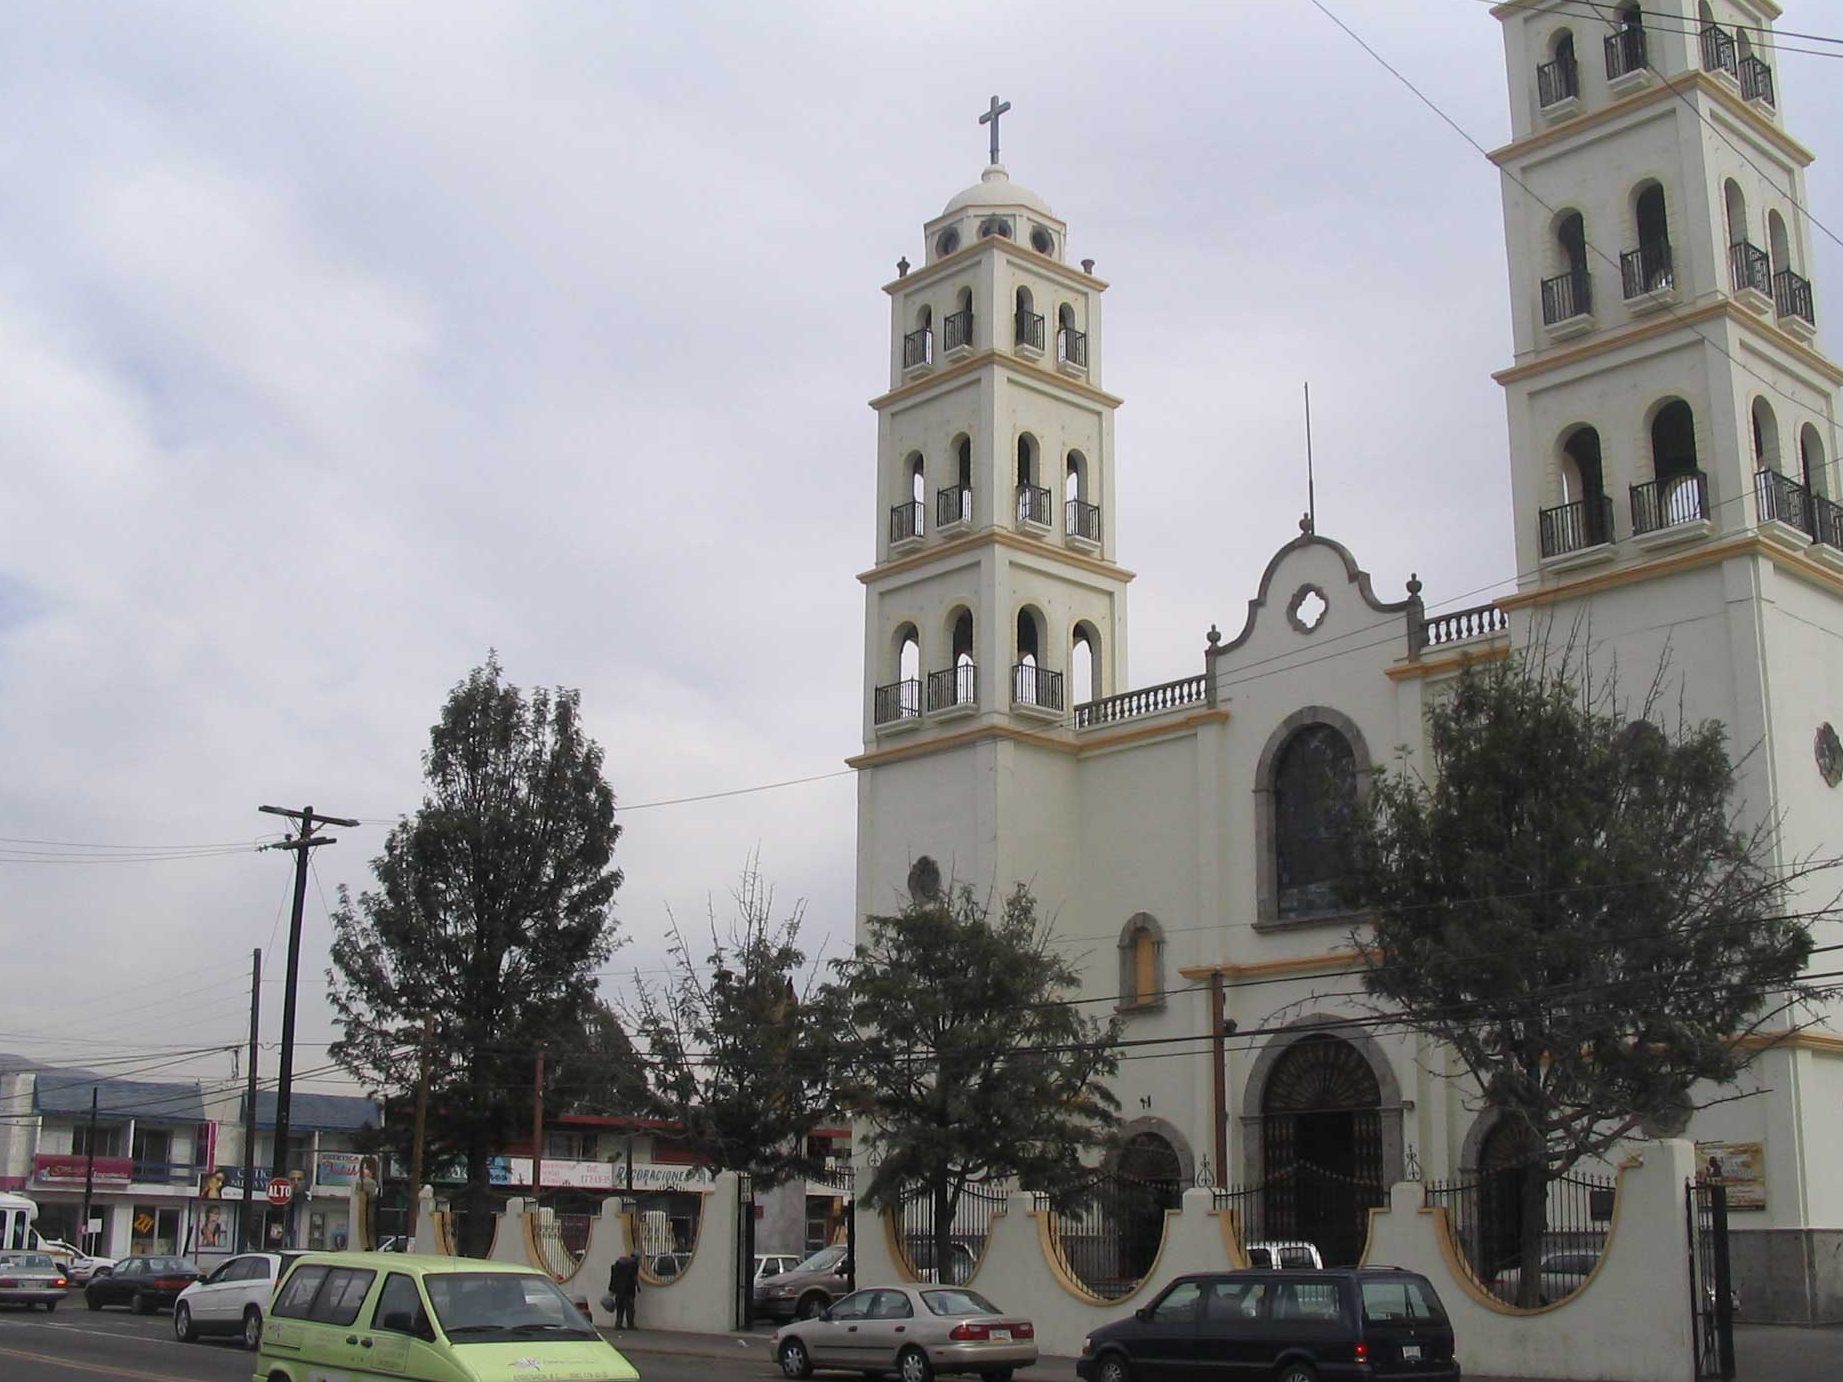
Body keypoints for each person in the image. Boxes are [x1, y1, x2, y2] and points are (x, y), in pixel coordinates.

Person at [606, 1250, 640, 1330]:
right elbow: (634, 1277)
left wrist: (612, 1289)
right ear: (637, 1258)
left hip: (618, 1290)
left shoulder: (619, 1263)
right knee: (630, 1308)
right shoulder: (634, 1264)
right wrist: (638, 1287)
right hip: (628, 1290)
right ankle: (630, 1324)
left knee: (620, 1308)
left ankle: (618, 1324)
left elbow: (614, 1275)